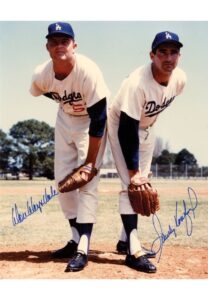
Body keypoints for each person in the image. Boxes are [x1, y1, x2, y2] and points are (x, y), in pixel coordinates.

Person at [30, 22, 110, 272]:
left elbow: (99, 119)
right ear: (47, 47)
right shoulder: (41, 74)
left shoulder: (88, 71)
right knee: (62, 183)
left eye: (65, 41)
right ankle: (75, 237)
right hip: (65, 120)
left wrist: (90, 163)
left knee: (87, 182)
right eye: (54, 41)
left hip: (91, 121)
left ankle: (83, 247)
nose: (59, 45)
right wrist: (61, 98)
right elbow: (41, 90)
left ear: (74, 45)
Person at [108, 31, 186, 273]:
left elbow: (153, 110)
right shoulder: (137, 84)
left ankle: (123, 241)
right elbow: (126, 130)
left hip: (147, 126)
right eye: (162, 51)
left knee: (141, 182)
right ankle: (133, 251)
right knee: (131, 185)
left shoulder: (179, 80)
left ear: (179, 56)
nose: (168, 57)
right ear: (152, 55)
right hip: (121, 123)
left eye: (173, 52)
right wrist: (134, 173)